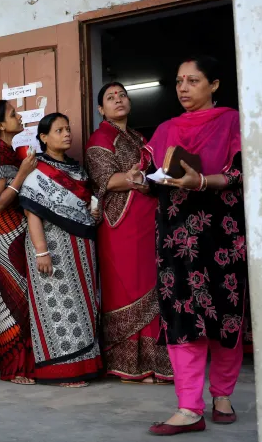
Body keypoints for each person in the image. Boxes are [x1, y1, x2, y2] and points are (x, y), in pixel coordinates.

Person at [145, 57, 247, 435]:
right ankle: (189, 407)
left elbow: (240, 173)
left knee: (226, 315)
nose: (183, 88)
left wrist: (201, 181)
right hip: (176, 238)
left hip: (222, 234)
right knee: (181, 317)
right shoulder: (166, 129)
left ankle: (223, 396)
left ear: (214, 84)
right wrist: (142, 180)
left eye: (193, 80)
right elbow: (152, 177)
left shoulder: (233, 122)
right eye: (178, 81)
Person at [85, 83, 173, 384]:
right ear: (101, 109)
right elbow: (105, 180)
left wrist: (147, 179)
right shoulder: (100, 138)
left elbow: (152, 175)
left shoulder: (139, 138)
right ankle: (129, 366)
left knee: (151, 283)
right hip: (120, 224)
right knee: (127, 286)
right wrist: (136, 178)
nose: (118, 100)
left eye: (122, 95)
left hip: (147, 220)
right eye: (111, 98)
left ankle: (153, 364)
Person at [19, 113, 103, 387]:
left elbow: (82, 205)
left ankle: (85, 365)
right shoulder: (38, 171)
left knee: (83, 305)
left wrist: (93, 212)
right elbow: (32, 212)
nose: (66, 134)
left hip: (81, 247)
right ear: (44, 137)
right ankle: (63, 371)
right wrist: (41, 251)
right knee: (59, 306)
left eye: (68, 129)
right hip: (52, 247)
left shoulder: (77, 170)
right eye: (59, 130)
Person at [0, 100, 39, 385]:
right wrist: (23, 173)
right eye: (13, 114)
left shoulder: (11, 153)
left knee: (24, 299)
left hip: (19, 232)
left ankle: (28, 365)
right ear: (1, 125)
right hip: (3, 237)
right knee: (10, 302)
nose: (19, 116)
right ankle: (14, 369)